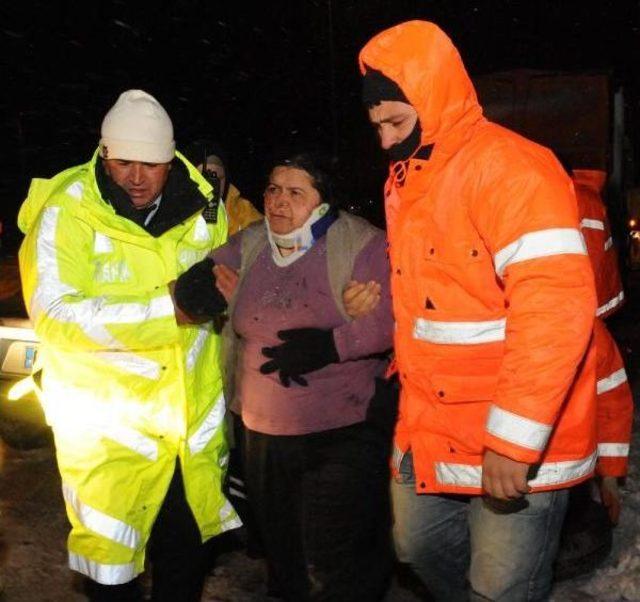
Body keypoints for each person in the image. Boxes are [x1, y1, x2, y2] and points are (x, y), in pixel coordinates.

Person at [357, 21, 598, 600]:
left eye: (396, 122)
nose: (387, 140)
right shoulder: (407, 180)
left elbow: (555, 305)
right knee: (415, 549)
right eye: (377, 127)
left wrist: (514, 439)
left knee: (500, 589)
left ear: (432, 98)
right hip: (433, 424)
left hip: (512, 431)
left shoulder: (512, 167)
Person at [17, 90, 239, 601]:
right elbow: (55, 316)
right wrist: (169, 309)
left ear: (171, 158)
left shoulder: (205, 207)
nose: (136, 177)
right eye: (123, 162)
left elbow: (225, 300)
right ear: (102, 153)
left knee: (184, 569)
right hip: (111, 444)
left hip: (189, 439)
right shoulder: (65, 212)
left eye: (150, 164)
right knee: (112, 581)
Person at [174, 151, 397, 601]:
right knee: (284, 555)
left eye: (295, 193)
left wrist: (329, 346)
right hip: (261, 433)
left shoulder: (360, 244)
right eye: (273, 189)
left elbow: (391, 321)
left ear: (322, 202)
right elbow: (197, 283)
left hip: (341, 432)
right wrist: (194, 287)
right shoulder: (253, 242)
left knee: (330, 562)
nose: (278, 202)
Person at [183, 139, 262, 236]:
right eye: (204, 179)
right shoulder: (172, 212)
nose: (212, 187)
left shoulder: (243, 213)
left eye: (218, 178)